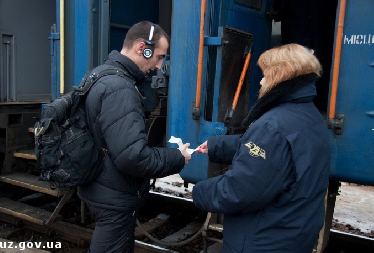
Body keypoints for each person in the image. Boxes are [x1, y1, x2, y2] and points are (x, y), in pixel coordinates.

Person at [192, 43, 330, 252]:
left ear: (279, 76)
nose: (261, 80)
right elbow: (274, 154)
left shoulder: (272, 126)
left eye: (265, 75)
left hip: (263, 240)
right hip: (294, 233)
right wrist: (216, 145)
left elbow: (240, 191)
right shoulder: (309, 116)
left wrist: (200, 191)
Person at [77, 21, 191, 253]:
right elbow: (132, 157)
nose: (160, 66)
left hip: (100, 184)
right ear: (142, 48)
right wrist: (177, 158)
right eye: (159, 57)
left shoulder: (99, 74)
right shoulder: (120, 88)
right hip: (113, 194)